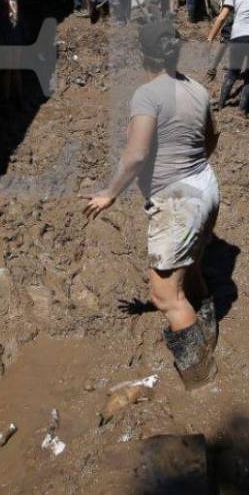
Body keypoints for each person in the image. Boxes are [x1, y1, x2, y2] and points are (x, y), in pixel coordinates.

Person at [81, 21, 220, 389]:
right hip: (206, 187)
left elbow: (136, 154)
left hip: (178, 201)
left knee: (163, 295)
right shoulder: (198, 90)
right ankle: (208, 327)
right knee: (191, 268)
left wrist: (110, 192)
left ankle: (202, 376)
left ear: (143, 54)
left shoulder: (147, 95)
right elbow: (211, 140)